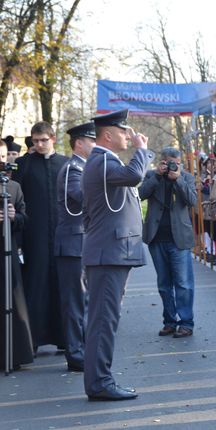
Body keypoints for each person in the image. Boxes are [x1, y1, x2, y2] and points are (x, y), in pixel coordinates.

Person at [82, 109, 148, 401]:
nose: (129, 135)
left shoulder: (105, 161)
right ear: (108, 135)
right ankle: (99, 383)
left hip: (111, 252)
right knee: (103, 321)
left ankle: (100, 380)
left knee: (105, 319)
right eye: (124, 131)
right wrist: (142, 150)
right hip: (108, 254)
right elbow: (135, 175)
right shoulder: (102, 160)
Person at [13, 121, 68, 351]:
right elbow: (17, 199)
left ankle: (65, 339)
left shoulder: (66, 164)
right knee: (34, 284)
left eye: (43, 140)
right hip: (33, 236)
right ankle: (32, 340)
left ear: (53, 138)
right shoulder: (23, 164)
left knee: (62, 286)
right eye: (35, 141)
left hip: (62, 234)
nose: (39, 144)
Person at [139, 147, 198, 339]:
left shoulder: (186, 177)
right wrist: (157, 175)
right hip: (157, 238)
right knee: (164, 284)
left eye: (177, 164)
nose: (173, 166)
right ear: (162, 162)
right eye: (169, 163)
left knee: (183, 283)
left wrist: (178, 179)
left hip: (179, 238)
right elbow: (140, 195)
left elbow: (192, 201)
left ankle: (186, 323)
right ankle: (170, 321)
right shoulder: (151, 175)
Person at [54, 122, 96, 372]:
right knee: (75, 302)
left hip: (79, 242)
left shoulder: (82, 168)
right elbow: (81, 198)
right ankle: (76, 353)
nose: (95, 145)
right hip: (72, 243)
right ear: (79, 143)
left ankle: (81, 350)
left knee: (84, 301)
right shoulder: (73, 169)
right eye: (92, 140)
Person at [0, 139, 33, 371]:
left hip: (8, 251)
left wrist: (14, 216)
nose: (2, 160)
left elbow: (24, 218)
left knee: (12, 299)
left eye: (3, 155)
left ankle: (14, 354)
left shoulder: (13, 187)